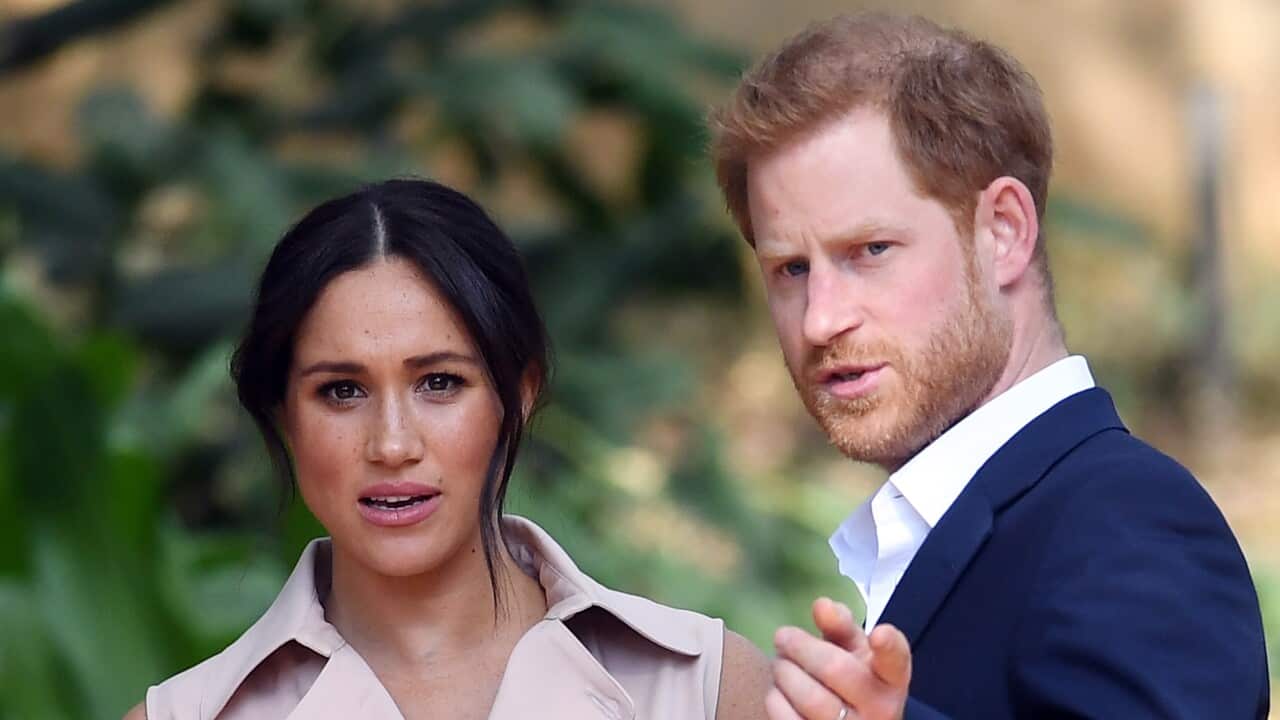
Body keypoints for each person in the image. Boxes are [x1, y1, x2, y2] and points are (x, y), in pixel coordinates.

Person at [709, 13, 1269, 720]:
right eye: (791, 268)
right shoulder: (1002, 525)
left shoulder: (1131, 524)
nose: (820, 319)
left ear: (1004, 231)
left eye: (871, 250)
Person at [125, 179, 770, 719]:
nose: (393, 444)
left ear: (518, 396)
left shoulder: (707, 690)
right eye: (342, 391)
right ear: (284, 416)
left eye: (439, 383)